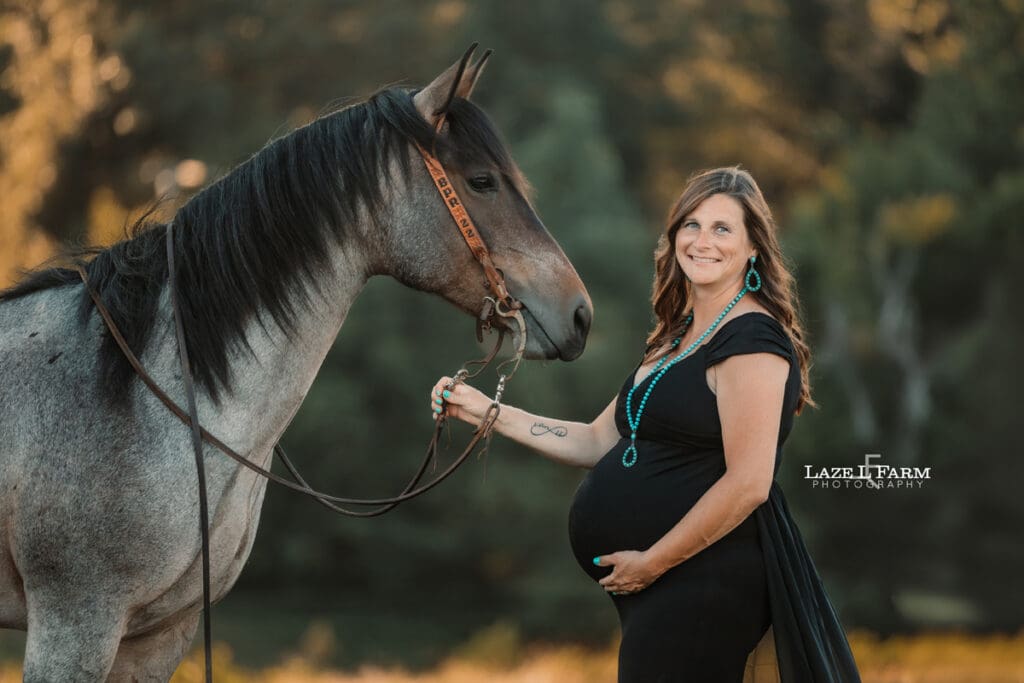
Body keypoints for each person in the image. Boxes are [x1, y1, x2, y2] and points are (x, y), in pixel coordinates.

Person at [430, 166, 861, 682]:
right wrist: (486, 412)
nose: (703, 241)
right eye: (692, 225)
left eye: (723, 229)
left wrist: (655, 561)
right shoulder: (679, 337)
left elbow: (749, 483)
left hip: (704, 579)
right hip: (662, 584)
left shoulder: (752, 340)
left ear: (753, 250)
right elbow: (596, 440)